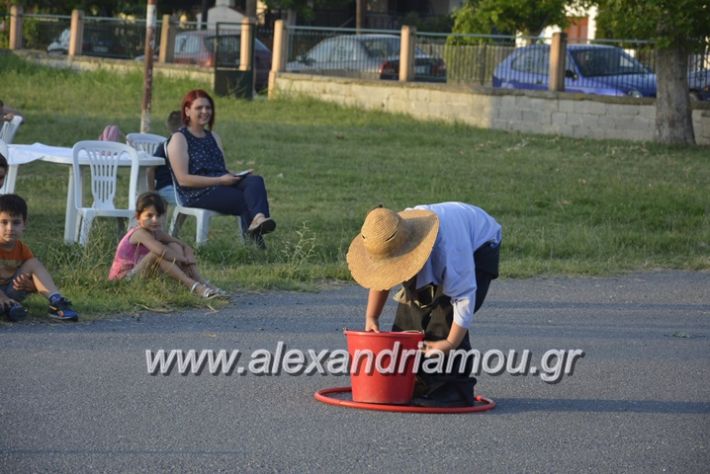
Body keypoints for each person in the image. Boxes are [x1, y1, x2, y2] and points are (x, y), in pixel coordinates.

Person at [346, 202, 501, 407]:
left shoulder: (450, 250)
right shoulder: (388, 233)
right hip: (444, 241)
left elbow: (464, 298)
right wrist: (371, 316)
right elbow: (382, 275)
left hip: (479, 244)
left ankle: (452, 390)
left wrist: (449, 343)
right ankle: (415, 378)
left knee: (445, 317)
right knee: (410, 315)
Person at [166, 89, 275, 247]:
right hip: (197, 193)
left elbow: (220, 169)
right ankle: (255, 247)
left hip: (220, 183)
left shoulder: (213, 137)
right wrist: (219, 180)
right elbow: (183, 180)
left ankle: (258, 219)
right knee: (243, 199)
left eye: (208, 108)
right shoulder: (179, 138)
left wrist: (236, 176)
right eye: (199, 108)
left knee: (255, 181)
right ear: (187, 111)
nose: (205, 112)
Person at [109, 191, 226, 299]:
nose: (155, 220)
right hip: (125, 280)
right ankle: (193, 286)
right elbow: (161, 251)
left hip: (142, 274)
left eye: (159, 215)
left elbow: (184, 246)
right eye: (149, 216)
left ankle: (201, 282)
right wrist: (183, 259)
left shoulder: (156, 233)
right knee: (157, 254)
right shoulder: (140, 233)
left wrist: (189, 256)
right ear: (138, 217)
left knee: (175, 246)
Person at [0, 194, 79, 322]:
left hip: (10, 290)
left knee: (33, 263)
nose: (10, 228)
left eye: (16, 222)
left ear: (24, 224)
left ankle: (56, 302)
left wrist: (30, 286)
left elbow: (36, 279)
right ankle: (9, 308)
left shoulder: (22, 249)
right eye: (4, 222)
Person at [149, 110, 182, 205]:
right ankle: (176, 220)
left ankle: (176, 221)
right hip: (165, 187)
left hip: (178, 187)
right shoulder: (166, 146)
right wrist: (152, 192)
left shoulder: (186, 146)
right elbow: (150, 169)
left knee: (193, 200)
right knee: (187, 202)